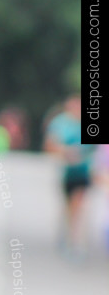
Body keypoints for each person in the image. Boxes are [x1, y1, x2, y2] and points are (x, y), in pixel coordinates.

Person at [44, 95, 95, 258]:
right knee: (68, 207)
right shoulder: (60, 123)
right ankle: (66, 234)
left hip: (84, 171)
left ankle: (75, 241)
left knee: (78, 205)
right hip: (67, 172)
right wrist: (66, 152)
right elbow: (50, 145)